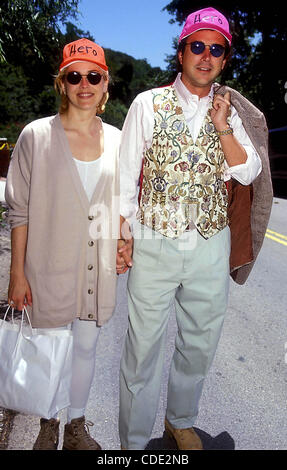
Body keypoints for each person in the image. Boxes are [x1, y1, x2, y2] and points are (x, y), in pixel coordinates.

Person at [117, 7, 273, 450]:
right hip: (154, 240)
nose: (206, 56)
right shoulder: (148, 104)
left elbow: (249, 172)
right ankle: (131, 442)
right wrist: (122, 236)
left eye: (216, 49)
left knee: (199, 342)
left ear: (225, 59)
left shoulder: (230, 111)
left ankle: (179, 419)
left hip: (209, 242)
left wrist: (223, 127)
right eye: (197, 46)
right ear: (182, 51)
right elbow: (126, 178)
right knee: (141, 349)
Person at [5, 38, 121, 450]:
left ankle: (76, 425)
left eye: (94, 76)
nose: (84, 84)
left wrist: (124, 241)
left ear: (106, 84)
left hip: (96, 266)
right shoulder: (35, 136)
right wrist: (17, 273)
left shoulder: (120, 140)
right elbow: (19, 211)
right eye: (74, 76)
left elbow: (122, 204)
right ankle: (47, 423)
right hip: (47, 264)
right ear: (62, 83)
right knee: (50, 348)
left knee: (86, 348)